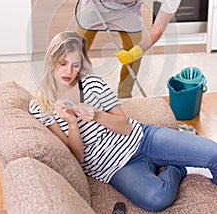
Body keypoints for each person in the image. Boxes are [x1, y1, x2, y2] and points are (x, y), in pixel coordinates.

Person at [29, 31, 216, 212]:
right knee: (157, 198)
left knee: (213, 153)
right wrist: (72, 123)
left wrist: (97, 115)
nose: (69, 71)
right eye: (62, 63)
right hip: (116, 167)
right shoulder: (42, 106)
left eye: (75, 65)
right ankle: (176, 167)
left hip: (143, 137)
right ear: (51, 60)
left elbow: (126, 126)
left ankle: (168, 158)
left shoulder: (92, 83)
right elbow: (77, 158)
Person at [72, 0, 205, 98]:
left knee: (135, 49)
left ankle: (124, 97)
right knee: (77, 48)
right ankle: (73, 91)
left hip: (128, 6)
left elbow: (157, 30)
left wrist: (137, 51)